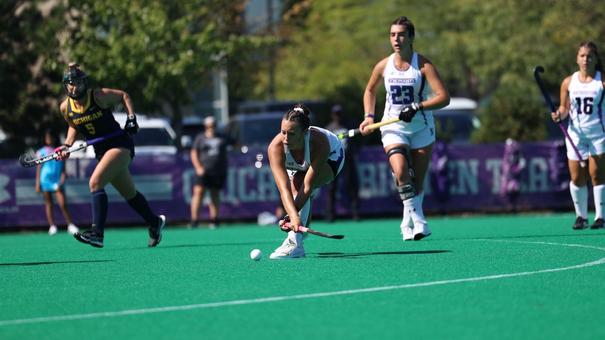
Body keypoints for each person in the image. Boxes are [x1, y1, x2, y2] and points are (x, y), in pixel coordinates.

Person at [358, 16, 450, 241]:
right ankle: (420, 222)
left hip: (421, 128)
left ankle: (406, 221)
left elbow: (444, 98)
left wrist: (418, 105)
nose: (396, 39)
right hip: (392, 127)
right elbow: (370, 90)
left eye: (400, 34)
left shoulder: (424, 65)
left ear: (411, 38)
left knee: (416, 182)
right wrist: (369, 117)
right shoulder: (383, 65)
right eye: (392, 35)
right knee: (400, 172)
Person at [56, 63, 166, 248]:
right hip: (100, 151)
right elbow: (74, 126)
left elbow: (124, 95)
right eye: (70, 83)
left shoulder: (98, 96)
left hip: (119, 145)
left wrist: (131, 118)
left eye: (77, 82)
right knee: (129, 193)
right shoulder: (65, 108)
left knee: (95, 183)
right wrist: (67, 145)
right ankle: (155, 222)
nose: (74, 86)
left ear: (84, 83)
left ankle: (97, 233)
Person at [267, 103, 345, 259]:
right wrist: (291, 215)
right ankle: (298, 233)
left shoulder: (319, 142)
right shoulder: (275, 148)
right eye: (283, 132)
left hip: (333, 157)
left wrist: (293, 216)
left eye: (292, 134)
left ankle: (294, 244)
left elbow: (308, 185)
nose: (286, 139)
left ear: (304, 133)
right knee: (295, 188)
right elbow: (283, 189)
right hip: (298, 167)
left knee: (301, 182)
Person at [551, 41, 605, 230]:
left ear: (596, 59)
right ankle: (581, 216)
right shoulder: (569, 82)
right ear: (577, 58)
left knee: (596, 174)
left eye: (589, 56)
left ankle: (600, 217)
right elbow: (564, 108)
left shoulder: (601, 81)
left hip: (598, 134)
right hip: (575, 136)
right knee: (576, 177)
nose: (585, 60)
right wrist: (559, 115)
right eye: (582, 56)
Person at [35, 130, 79, 236]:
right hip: (45, 179)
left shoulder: (60, 150)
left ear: (54, 138)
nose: (49, 139)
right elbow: (39, 169)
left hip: (57, 180)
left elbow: (63, 168)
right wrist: (37, 184)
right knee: (49, 203)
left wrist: (62, 178)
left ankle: (70, 225)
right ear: (45, 139)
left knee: (63, 203)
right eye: (47, 137)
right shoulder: (41, 152)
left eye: (51, 137)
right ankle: (52, 226)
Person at [190, 116, 228, 228]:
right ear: (205, 126)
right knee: (198, 192)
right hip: (203, 170)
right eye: (209, 126)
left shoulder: (222, 137)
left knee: (214, 193)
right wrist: (198, 167)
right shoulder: (200, 138)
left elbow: (235, 144)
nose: (211, 128)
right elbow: (193, 153)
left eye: (213, 125)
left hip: (217, 170)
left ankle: (214, 219)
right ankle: (194, 220)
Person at [324, 104, 360, 221]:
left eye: (339, 114)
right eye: (336, 114)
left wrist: (354, 151)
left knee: (351, 185)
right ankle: (330, 214)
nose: (338, 116)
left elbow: (358, 140)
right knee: (332, 187)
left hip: (348, 160)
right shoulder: (329, 128)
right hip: (334, 159)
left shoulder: (349, 126)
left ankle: (355, 212)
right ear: (332, 115)